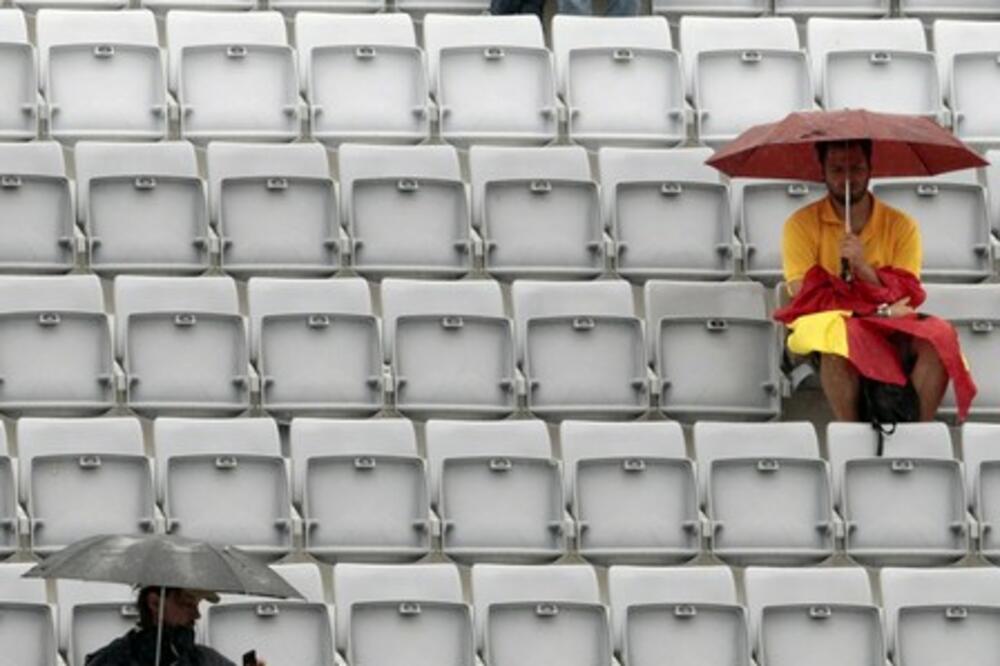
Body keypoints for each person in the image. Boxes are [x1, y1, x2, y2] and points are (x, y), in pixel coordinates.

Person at [780, 139, 949, 422]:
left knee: (939, 339)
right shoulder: (800, 224)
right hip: (831, 324)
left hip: (890, 324)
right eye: (837, 169)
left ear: (871, 168)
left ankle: (919, 434)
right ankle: (852, 436)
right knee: (840, 340)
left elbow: (907, 295)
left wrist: (863, 268)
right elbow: (803, 295)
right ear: (822, 171)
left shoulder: (901, 225)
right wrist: (873, 309)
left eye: (857, 168)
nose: (847, 178)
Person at [85, 587, 266, 666]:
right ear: (155, 604)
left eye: (197, 605)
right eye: (187, 604)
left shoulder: (207, 660)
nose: (197, 615)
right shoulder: (111, 660)